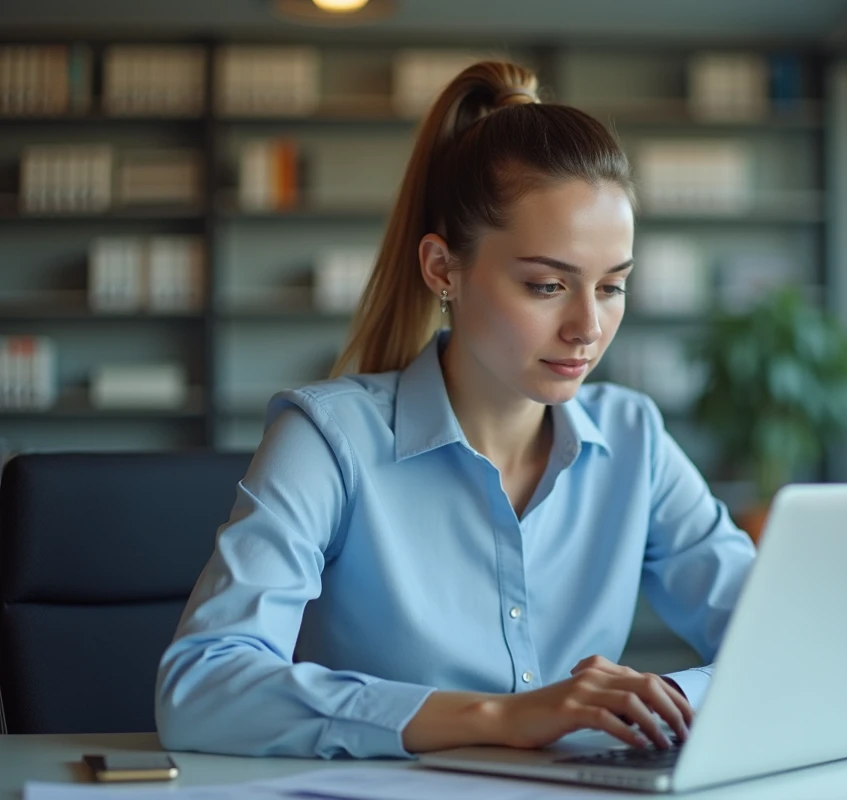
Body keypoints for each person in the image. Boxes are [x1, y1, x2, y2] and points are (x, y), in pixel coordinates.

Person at [155, 61, 756, 760]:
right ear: (443, 269)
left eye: (612, 287)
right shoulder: (328, 440)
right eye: (547, 285)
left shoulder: (634, 438)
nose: (588, 328)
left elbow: (786, 637)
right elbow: (201, 688)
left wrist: (668, 700)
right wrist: (500, 718)